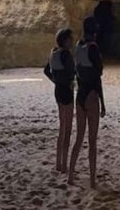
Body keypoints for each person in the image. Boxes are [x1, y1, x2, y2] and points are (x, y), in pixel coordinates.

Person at [67, 15, 105, 188]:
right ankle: (91, 180)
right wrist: (103, 102)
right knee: (92, 141)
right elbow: (98, 76)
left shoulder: (78, 46)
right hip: (91, 95)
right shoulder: (93, 47)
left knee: (79, 137)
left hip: (80, 95)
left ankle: (70, 175)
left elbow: (79, 70)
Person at [43, 27, 75, 173]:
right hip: (67, 91)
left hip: (58, 91)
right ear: (65, 40)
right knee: (67, 129)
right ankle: (64, 164)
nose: (72, 41)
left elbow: (46, 71)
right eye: (70, 38)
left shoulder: (53, 53)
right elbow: (72, 73)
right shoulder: (66, 55)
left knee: (61, 128)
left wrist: (55, 80)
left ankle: (58, 162)